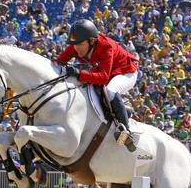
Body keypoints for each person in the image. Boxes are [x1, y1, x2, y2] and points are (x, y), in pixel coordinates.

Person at [57, 19, 139, 151]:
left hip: (125, 72)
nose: (75, 48)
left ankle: (125, 131)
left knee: (111, 91)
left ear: (92, 41)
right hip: (105, 73)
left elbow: (102, 78)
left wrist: (79, 73)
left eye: (79, 44)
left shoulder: (106, 47)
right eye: (73, 44)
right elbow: (58, 63)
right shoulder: (76, 45)